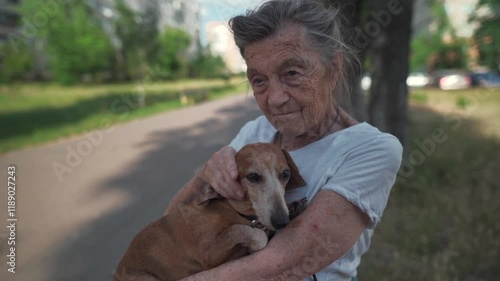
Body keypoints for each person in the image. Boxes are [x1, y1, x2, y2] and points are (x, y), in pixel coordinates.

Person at [180, 0, 403, 280]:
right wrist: (207, 175)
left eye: (292, 73)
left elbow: (284, 264)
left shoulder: (371, 150)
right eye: (259, 80)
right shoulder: (256, 132)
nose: (275, 98)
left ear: (333, 69)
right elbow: (177, 217)